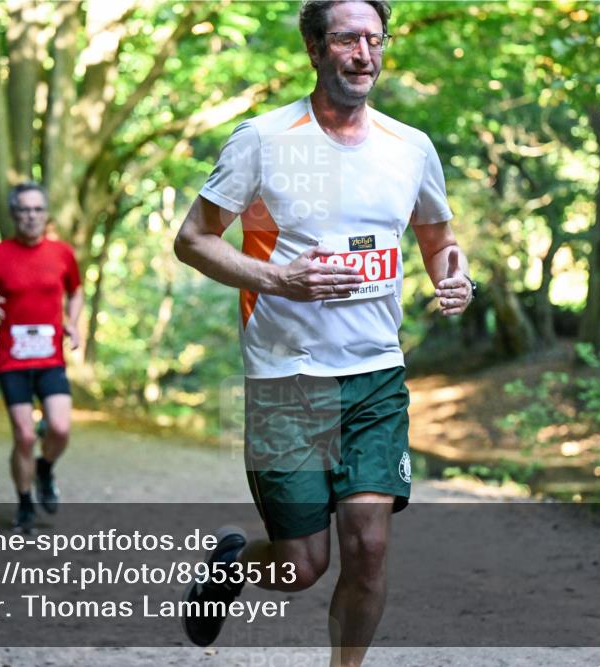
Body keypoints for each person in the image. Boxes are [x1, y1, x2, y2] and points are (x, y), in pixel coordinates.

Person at [173, 1, 476, 664]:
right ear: (315, 49)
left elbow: (439, 241)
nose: (363, 53)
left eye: (374, 38)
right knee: (301, 566)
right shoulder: (263, 140)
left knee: (368, 546)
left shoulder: (411, 148)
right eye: (346, 39)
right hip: (287, 380)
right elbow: (192, 240)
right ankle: (232, 563)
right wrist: (278, 280)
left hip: (375, 376)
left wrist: (455, 276)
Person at [0, 182, 83, 534]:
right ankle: (24, 506)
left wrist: (73, 324)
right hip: (11, 360)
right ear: (14, 214)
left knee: (60, 429)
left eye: (37, 209)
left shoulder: (62, 254)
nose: (31, 216)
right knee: (24, 436)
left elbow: (76, 290)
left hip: (50, 358)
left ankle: (45, 469)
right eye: (24, 210)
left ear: (45, 214)